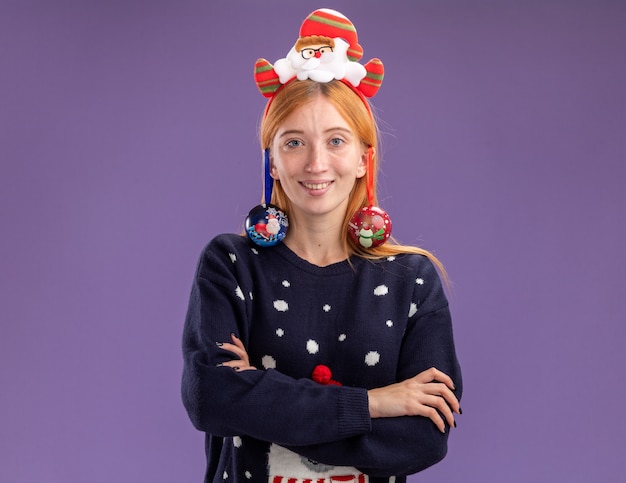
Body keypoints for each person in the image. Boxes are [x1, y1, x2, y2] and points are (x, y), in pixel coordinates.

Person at [182, 8, 462, 483]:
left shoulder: (412, 281)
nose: (315, 163)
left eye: (336, 140)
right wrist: (375, 402)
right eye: (294, 143)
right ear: (272, 162)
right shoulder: (231, 264)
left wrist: (258, 398)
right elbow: (212, 398)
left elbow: (421, 438)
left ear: (362, 158)